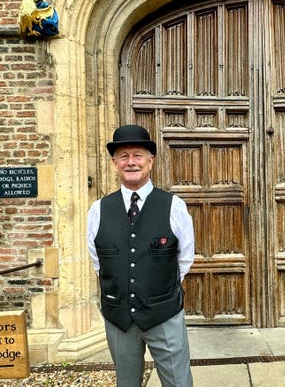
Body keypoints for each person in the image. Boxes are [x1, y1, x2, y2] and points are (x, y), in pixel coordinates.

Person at [86, 124, 195, 387]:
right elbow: (99, 261)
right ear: (114, 163)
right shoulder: (99, 209)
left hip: (164, 314)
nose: (131, 162)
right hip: (119, 317)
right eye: (124, 156)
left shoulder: (174, 206)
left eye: (138, 155)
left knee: (178, 383)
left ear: (150, 160)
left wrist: (157, 291)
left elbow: (185, 259)